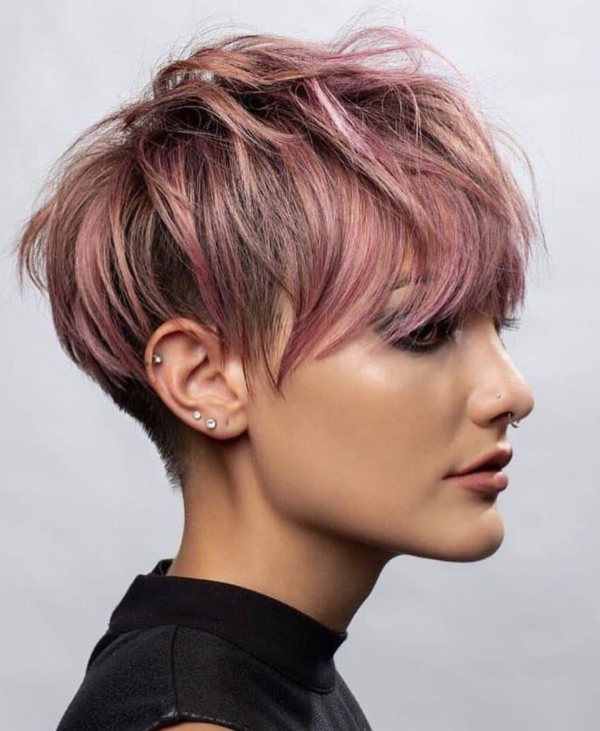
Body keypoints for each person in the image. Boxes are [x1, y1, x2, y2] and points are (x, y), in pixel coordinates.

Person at [13, 20, 546, 731]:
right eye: (421, 331)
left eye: (498, 328)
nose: (511, 394)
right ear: (206, 379)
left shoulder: (260, 672)